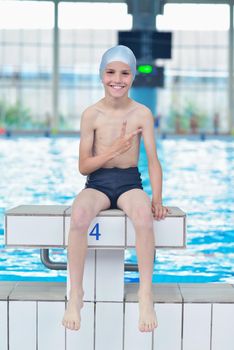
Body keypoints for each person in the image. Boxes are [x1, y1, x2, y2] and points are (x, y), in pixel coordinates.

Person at [62, 45, 168, 333]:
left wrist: (157, 198)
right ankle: (76, 295)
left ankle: (146, 293)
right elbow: (84, 166)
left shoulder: (141, 113)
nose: (117, 79)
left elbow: (154, 162)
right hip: (97, 183)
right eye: (110, 72)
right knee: (80, 216)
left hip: (129, 182)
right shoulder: (91, 114)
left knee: (144, 218)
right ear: (101, 75)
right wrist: (114, 150)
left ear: (133, 77)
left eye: (124, 73)